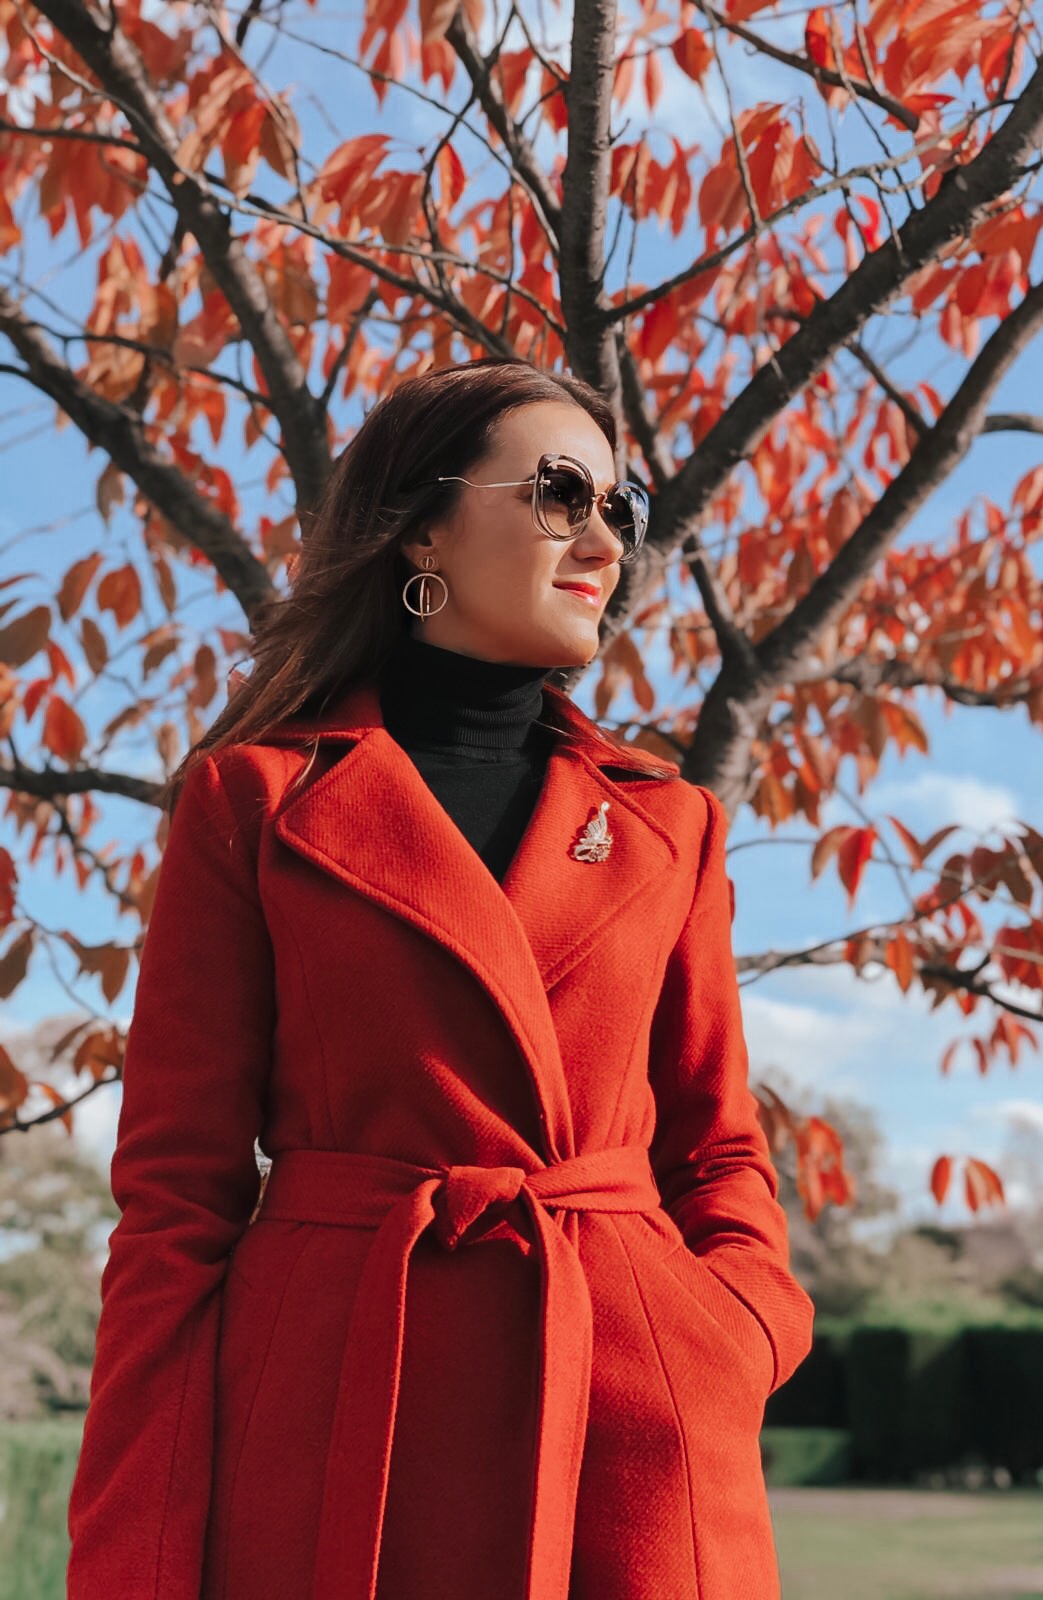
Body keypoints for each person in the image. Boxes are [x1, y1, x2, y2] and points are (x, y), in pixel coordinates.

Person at [65, 356, 815, 1600]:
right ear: (421, 521)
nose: (604, 539)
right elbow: (172, 1207)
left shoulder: (668, 822)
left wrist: (730, 1331)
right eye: (562, 492)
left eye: (621, 510)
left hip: (626, 1414)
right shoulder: (254, 800)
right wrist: (132, 1561)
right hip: (337, 1413)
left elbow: (721, 1153)